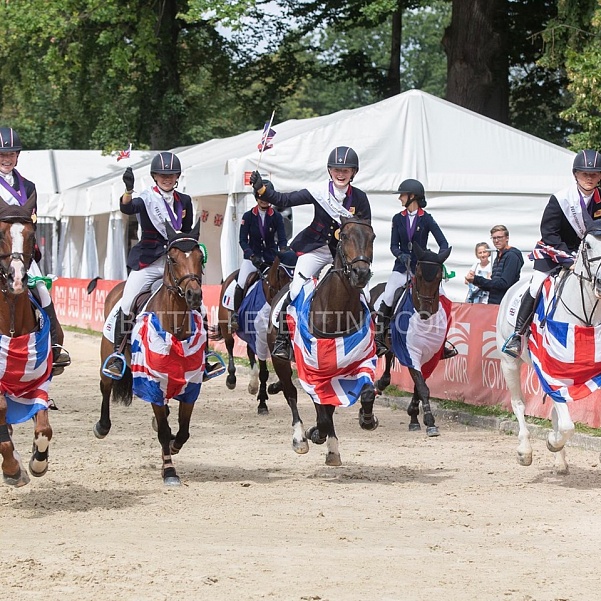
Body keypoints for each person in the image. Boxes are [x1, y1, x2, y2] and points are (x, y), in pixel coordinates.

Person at [249, 145, 371, 360]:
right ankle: (283, 339)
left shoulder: (360, 199)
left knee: (366, 295)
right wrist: (262, 191)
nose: (340, 174)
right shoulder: (319, 193)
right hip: (316, 250)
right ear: (330, 171)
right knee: (295, 289)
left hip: (344, 256)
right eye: (336, 170)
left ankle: (370, 339)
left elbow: (363, 232)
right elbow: (285, 200)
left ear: (354, 172)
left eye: (346, 170)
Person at [502, 149, 601, 357]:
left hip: (591, 258)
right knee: (537, 284)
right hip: (555, 254)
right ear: (575, 174)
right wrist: (569, 259)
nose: (589, 178)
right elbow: (549, 234)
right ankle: (518, 335)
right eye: (585, 173)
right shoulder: (561, 199)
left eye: (594, 174)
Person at [104, 151, 194, 377]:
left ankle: (202, 352)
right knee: (127, 303)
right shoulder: (146, 199)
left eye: (172, 175)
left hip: (175, 263)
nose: (167, 178)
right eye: (163, 175)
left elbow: (187, 233)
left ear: (177, 177)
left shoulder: (185, 201)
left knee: (195, 300)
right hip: (150, 261)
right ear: (154, 176)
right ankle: (118, 352)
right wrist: (127, 190)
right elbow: (126, 208)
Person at [0, 126, 70, 375]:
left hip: (21, 253)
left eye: (11, 154)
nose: (6, 159)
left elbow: (30, 224)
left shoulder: (28, 186)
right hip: (0, 250)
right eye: (2, 155)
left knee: (42, 291)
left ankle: (54, 343)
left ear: (17, 156)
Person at [373, 178, 454, 358]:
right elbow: (393, 245)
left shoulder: (426, 219)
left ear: (412, 196)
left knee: (443, 298)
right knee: (387, 295)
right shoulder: (397, 219)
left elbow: (443, 243)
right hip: (402, 267)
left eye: (402, 195)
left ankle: (442, 344)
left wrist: (435, 260)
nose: (400, 198)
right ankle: (379, 337)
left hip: (422, 270)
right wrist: (400, 255)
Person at [230, 179, 288, 332]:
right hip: (252, 259)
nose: (263, 200)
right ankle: (236, 315)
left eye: (266, 196)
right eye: (260, 196)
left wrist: (283, 252)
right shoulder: (248, 216)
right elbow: (242, 240)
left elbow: (282, 239)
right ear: (256, 196)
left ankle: (284, 315)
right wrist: (251, 256)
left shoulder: (276, 217)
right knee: (241, 282)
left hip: (270, 258)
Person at [465, 225, 523, 307]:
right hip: (494, 303)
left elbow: (504, 283)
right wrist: (474, 281)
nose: (496, 240)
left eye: (499, 237)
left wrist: (477, 279)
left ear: (507, 238)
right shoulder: (499, 255)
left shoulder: (512, 256)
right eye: (494, 238)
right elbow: (494, 285)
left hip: (505, 305)